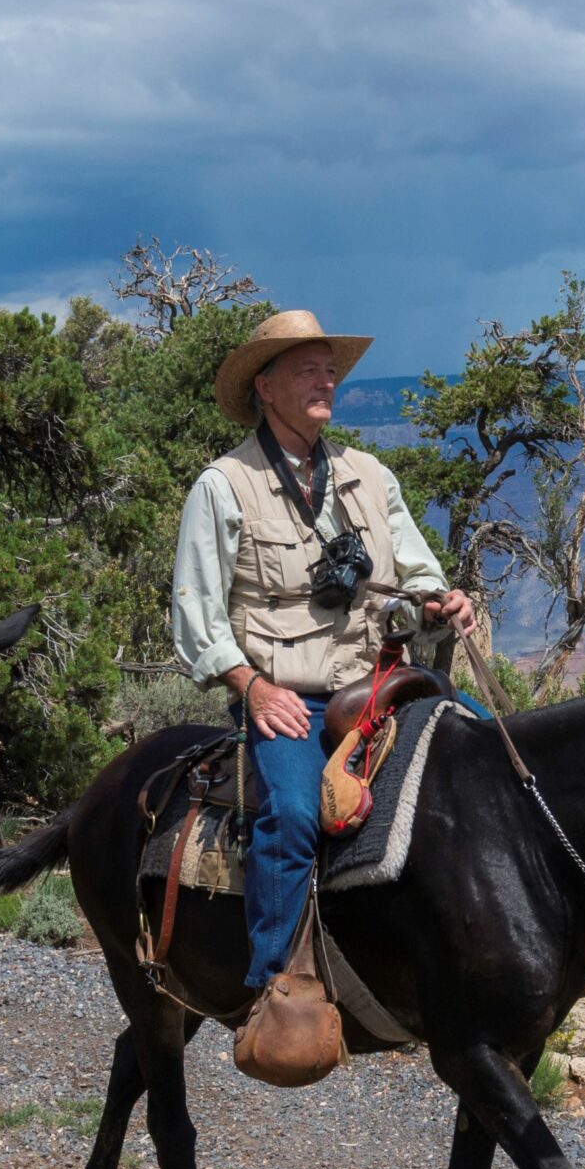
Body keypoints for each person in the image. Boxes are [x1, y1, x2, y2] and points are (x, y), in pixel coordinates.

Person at [171, 309, 474, 996]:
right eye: (307, 369)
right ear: (265, 387)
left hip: (380, 681)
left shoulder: (369, 474)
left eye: (330, 369)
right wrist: (253, 689)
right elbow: (196, 612)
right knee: (297, 814)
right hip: (292, 697)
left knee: (491, 753)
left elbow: (417, 569)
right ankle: (273, 984)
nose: (325, 380)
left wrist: (441, 600)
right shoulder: (224, 485)